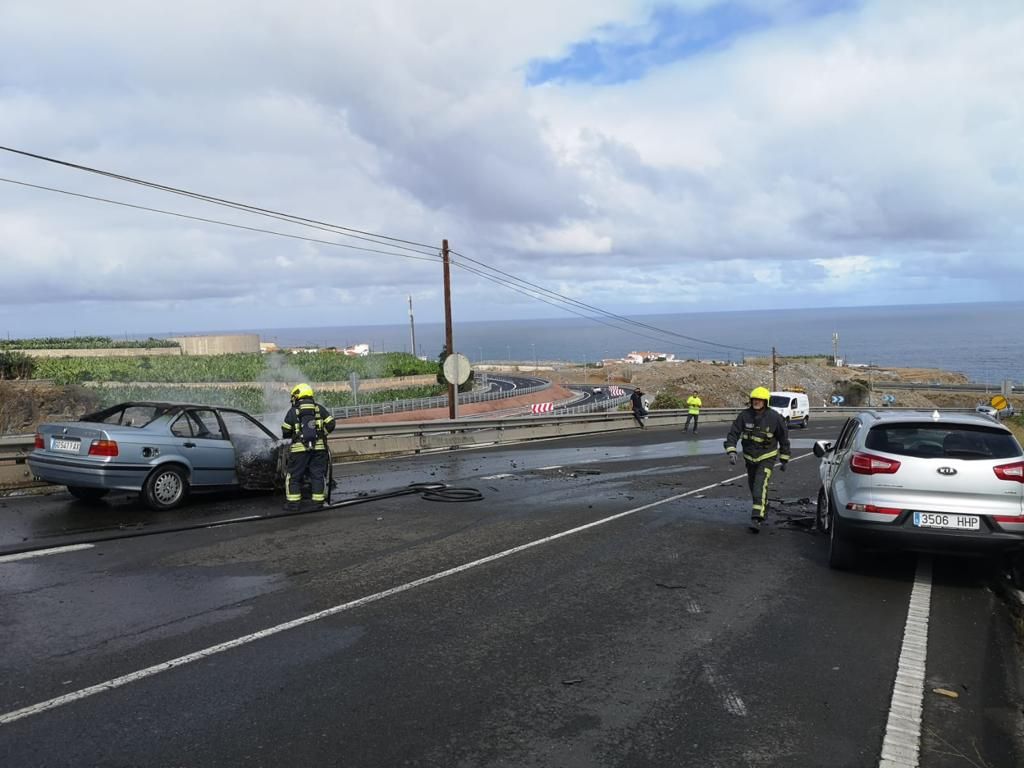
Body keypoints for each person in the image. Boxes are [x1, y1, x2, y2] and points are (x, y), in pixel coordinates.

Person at [724, 386, 790, 533]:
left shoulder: (775, 418)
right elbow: (733, 434)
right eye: (754, 399)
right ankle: (763, 507)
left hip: (766, 457)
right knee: (753, 486)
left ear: (765, 401)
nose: (756, 402)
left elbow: (784, 439)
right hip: (749, 458)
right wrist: (731, 450)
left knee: (760, 484)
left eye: (760, 400)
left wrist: (784, 458)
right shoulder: (744, 416)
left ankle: (756, 518)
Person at [281, 382, 336, 511]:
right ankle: (318, 502)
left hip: (299, 451)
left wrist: (295, 435)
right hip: (319, 450)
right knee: (317, 475)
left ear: (298, 395)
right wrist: (322, 435)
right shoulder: (319, 408)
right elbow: (331, 424)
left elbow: (285, 431)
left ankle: (293, 504)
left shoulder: (293, 411)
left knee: (293, 476)